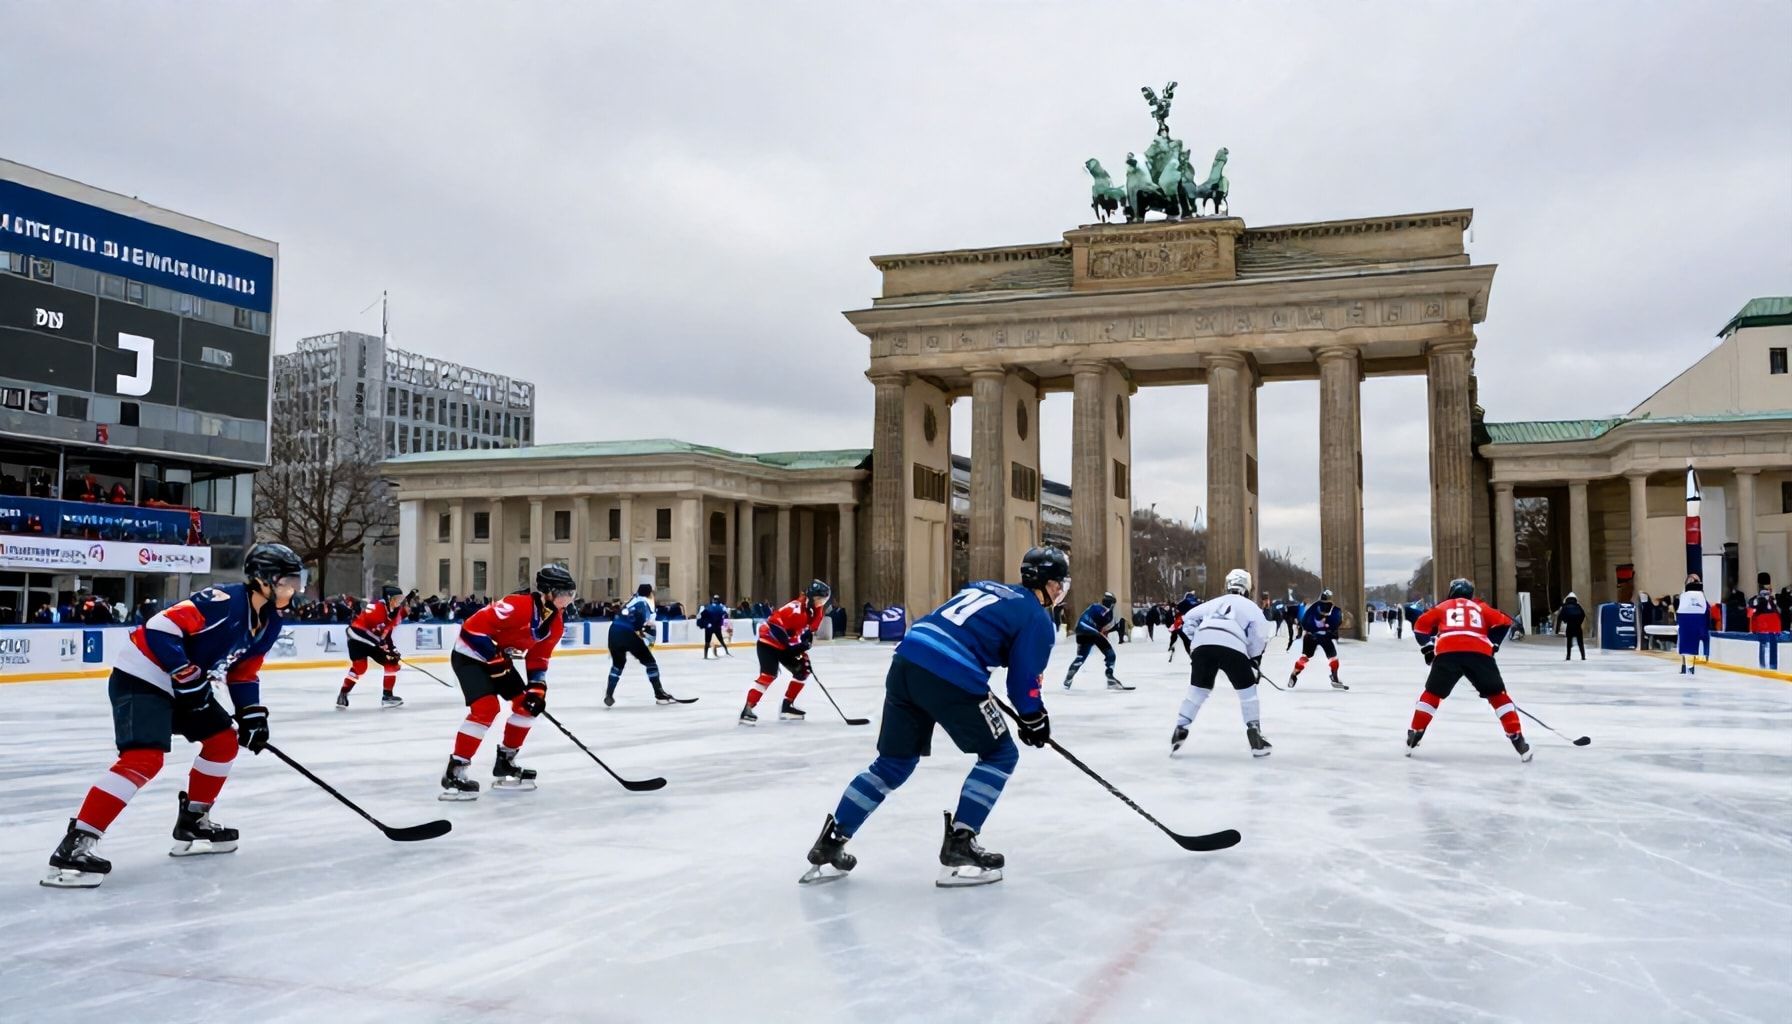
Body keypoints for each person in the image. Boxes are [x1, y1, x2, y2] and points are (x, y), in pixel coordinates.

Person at [799, 547, 1066, 888]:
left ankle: (830, 843)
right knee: (1001, 754)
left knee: (892, 764)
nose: (1060, 593)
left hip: (906, 663)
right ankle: (961, 845)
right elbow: (1022, 682)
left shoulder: (983, 586)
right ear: (1048, 583)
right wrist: (1034, 718)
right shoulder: (1037, 617)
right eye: (1059, 585)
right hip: (950, 674)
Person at [41, 543, 303, 888]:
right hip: (143, 676)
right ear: (263, 581)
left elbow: (243, 672)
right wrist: (185, 673)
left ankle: (194, 820)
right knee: (144, 759)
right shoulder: (222, 602)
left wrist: (252, 714)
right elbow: (159, 629)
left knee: (223, 743)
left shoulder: (269, 622)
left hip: (185, 685)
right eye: (287, 581)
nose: (295, 589)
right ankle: (77, 844)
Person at [438, 564, 576, 800]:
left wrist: (537, 689)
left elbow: (539, 658)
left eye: (570, 594)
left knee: (527, 707)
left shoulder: (556, 622)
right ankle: (456, 770)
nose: (568, 600)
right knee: (486, 709)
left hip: (497, 659)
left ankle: (505, 762)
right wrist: (493, 657)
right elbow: (472, 629)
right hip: (469, 655)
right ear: (547, 591)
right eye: (563, 594)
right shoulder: (516, 605)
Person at [1408, 578, 1530, 762]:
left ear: (1451, 592)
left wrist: (1427, 649)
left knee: (1432, 694)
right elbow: (1505, 622)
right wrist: (1493, 644)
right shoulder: (1481, 607)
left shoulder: (1442, 607)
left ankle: (1416, 731)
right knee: (1498, 695)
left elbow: (1420, 626)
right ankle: (1516, 736)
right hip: (1479, 652)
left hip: (1448, 652)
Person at [1171, 568, 1272, 757]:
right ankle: (1254, 732)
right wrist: (1253, 657)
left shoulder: (1214, 603)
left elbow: (1189, 619)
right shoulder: (1251, 607)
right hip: (1233, 646)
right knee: (1247, 691)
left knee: (1198, 690)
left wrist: (1197, 642)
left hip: (1203, 645)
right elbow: (1260, 634)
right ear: (1247, 588)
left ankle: (1181, 726)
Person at [740, 580, 831, 725]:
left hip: (785, 645)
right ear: (812, 597)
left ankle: (787, 706)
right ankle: (747, 709)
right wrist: (793, 648)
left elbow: (807, 632)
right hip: (768, 643)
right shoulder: (795, 608)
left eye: (824, 600)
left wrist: (802, 647)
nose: (822, 603)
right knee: (768, 675)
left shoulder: (813, 610)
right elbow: (775, 626)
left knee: (803, 670)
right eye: (820, 599)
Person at [605, 583, 684, 706]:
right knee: (650, 662)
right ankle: (659, 694)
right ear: (649, 593)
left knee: (618, 665)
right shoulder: (644, 603)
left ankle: (609, 694)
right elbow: (643, 622)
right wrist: (643, 633)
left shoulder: (632, 600)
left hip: (613, 631)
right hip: (626, 632)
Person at [338, 584, 407, 709]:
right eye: (397, 599)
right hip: (357, 636)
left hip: (371, 640)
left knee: (391, 663)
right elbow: (366, 630)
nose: (399, 602)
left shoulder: (394, 613)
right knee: (360, 667)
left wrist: (393, 650)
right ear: (389, 598)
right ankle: (343, 693)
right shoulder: (376, 607)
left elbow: (386, 634)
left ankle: (387, 696)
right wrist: (381, 645)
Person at [1063, 592, 1131, 690]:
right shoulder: (1108, 614)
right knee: (1110, 654)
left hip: (1080, 630)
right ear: (1112, 604)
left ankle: (1068, 680)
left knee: (1080, 657)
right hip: (1092, 631)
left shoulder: (1093, 606)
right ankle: (1110, 677)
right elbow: (1103, 629)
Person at [1289, 589, 1347, 689]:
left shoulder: (1313, 607)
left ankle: (1293, 675)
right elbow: (1336, 623)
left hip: (1310, 636)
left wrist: (1310, 629)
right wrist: (1329, 629)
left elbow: (1304, 621)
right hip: (1325, 637)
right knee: (1333, 657)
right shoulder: (1335, 609)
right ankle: (1334, 677)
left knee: (1305, 657)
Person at [1676, 574, 1710, 674]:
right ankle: (1684, 664)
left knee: (1692, 642)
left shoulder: (1700, 595)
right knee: (1685, 642)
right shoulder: (1684, 595)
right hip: (1688, 620)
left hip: (1697, 620)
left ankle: (1690, 664)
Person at [1166, 591, 1197, 662]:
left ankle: (1190, 655)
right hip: (1195, 627)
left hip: (1183, 626)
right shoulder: (1197, 603)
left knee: (1185, 641)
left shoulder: (1184, 603)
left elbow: (1178, 612)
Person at [698, 594, 732, 659]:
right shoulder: (721, 607)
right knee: (721, 640)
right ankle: (727, 652)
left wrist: (702, 623)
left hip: (709, 627)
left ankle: (705, 656)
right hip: (717, 627)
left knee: (707, 642)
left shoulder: (708, 607)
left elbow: (701, 615)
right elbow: (726, 615)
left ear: (713, 600)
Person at [1556, 593, 1587, 661]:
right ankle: (1583, 656)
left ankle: (1568, 656)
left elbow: (1561, 616)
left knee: (1569, 641)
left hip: (1570, 625)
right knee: (1580, 642)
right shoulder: (1578, 606)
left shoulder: (1565, 606)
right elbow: (1583, 614)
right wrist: (1579, 622)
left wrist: (1565, 621)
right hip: (1578, 626)